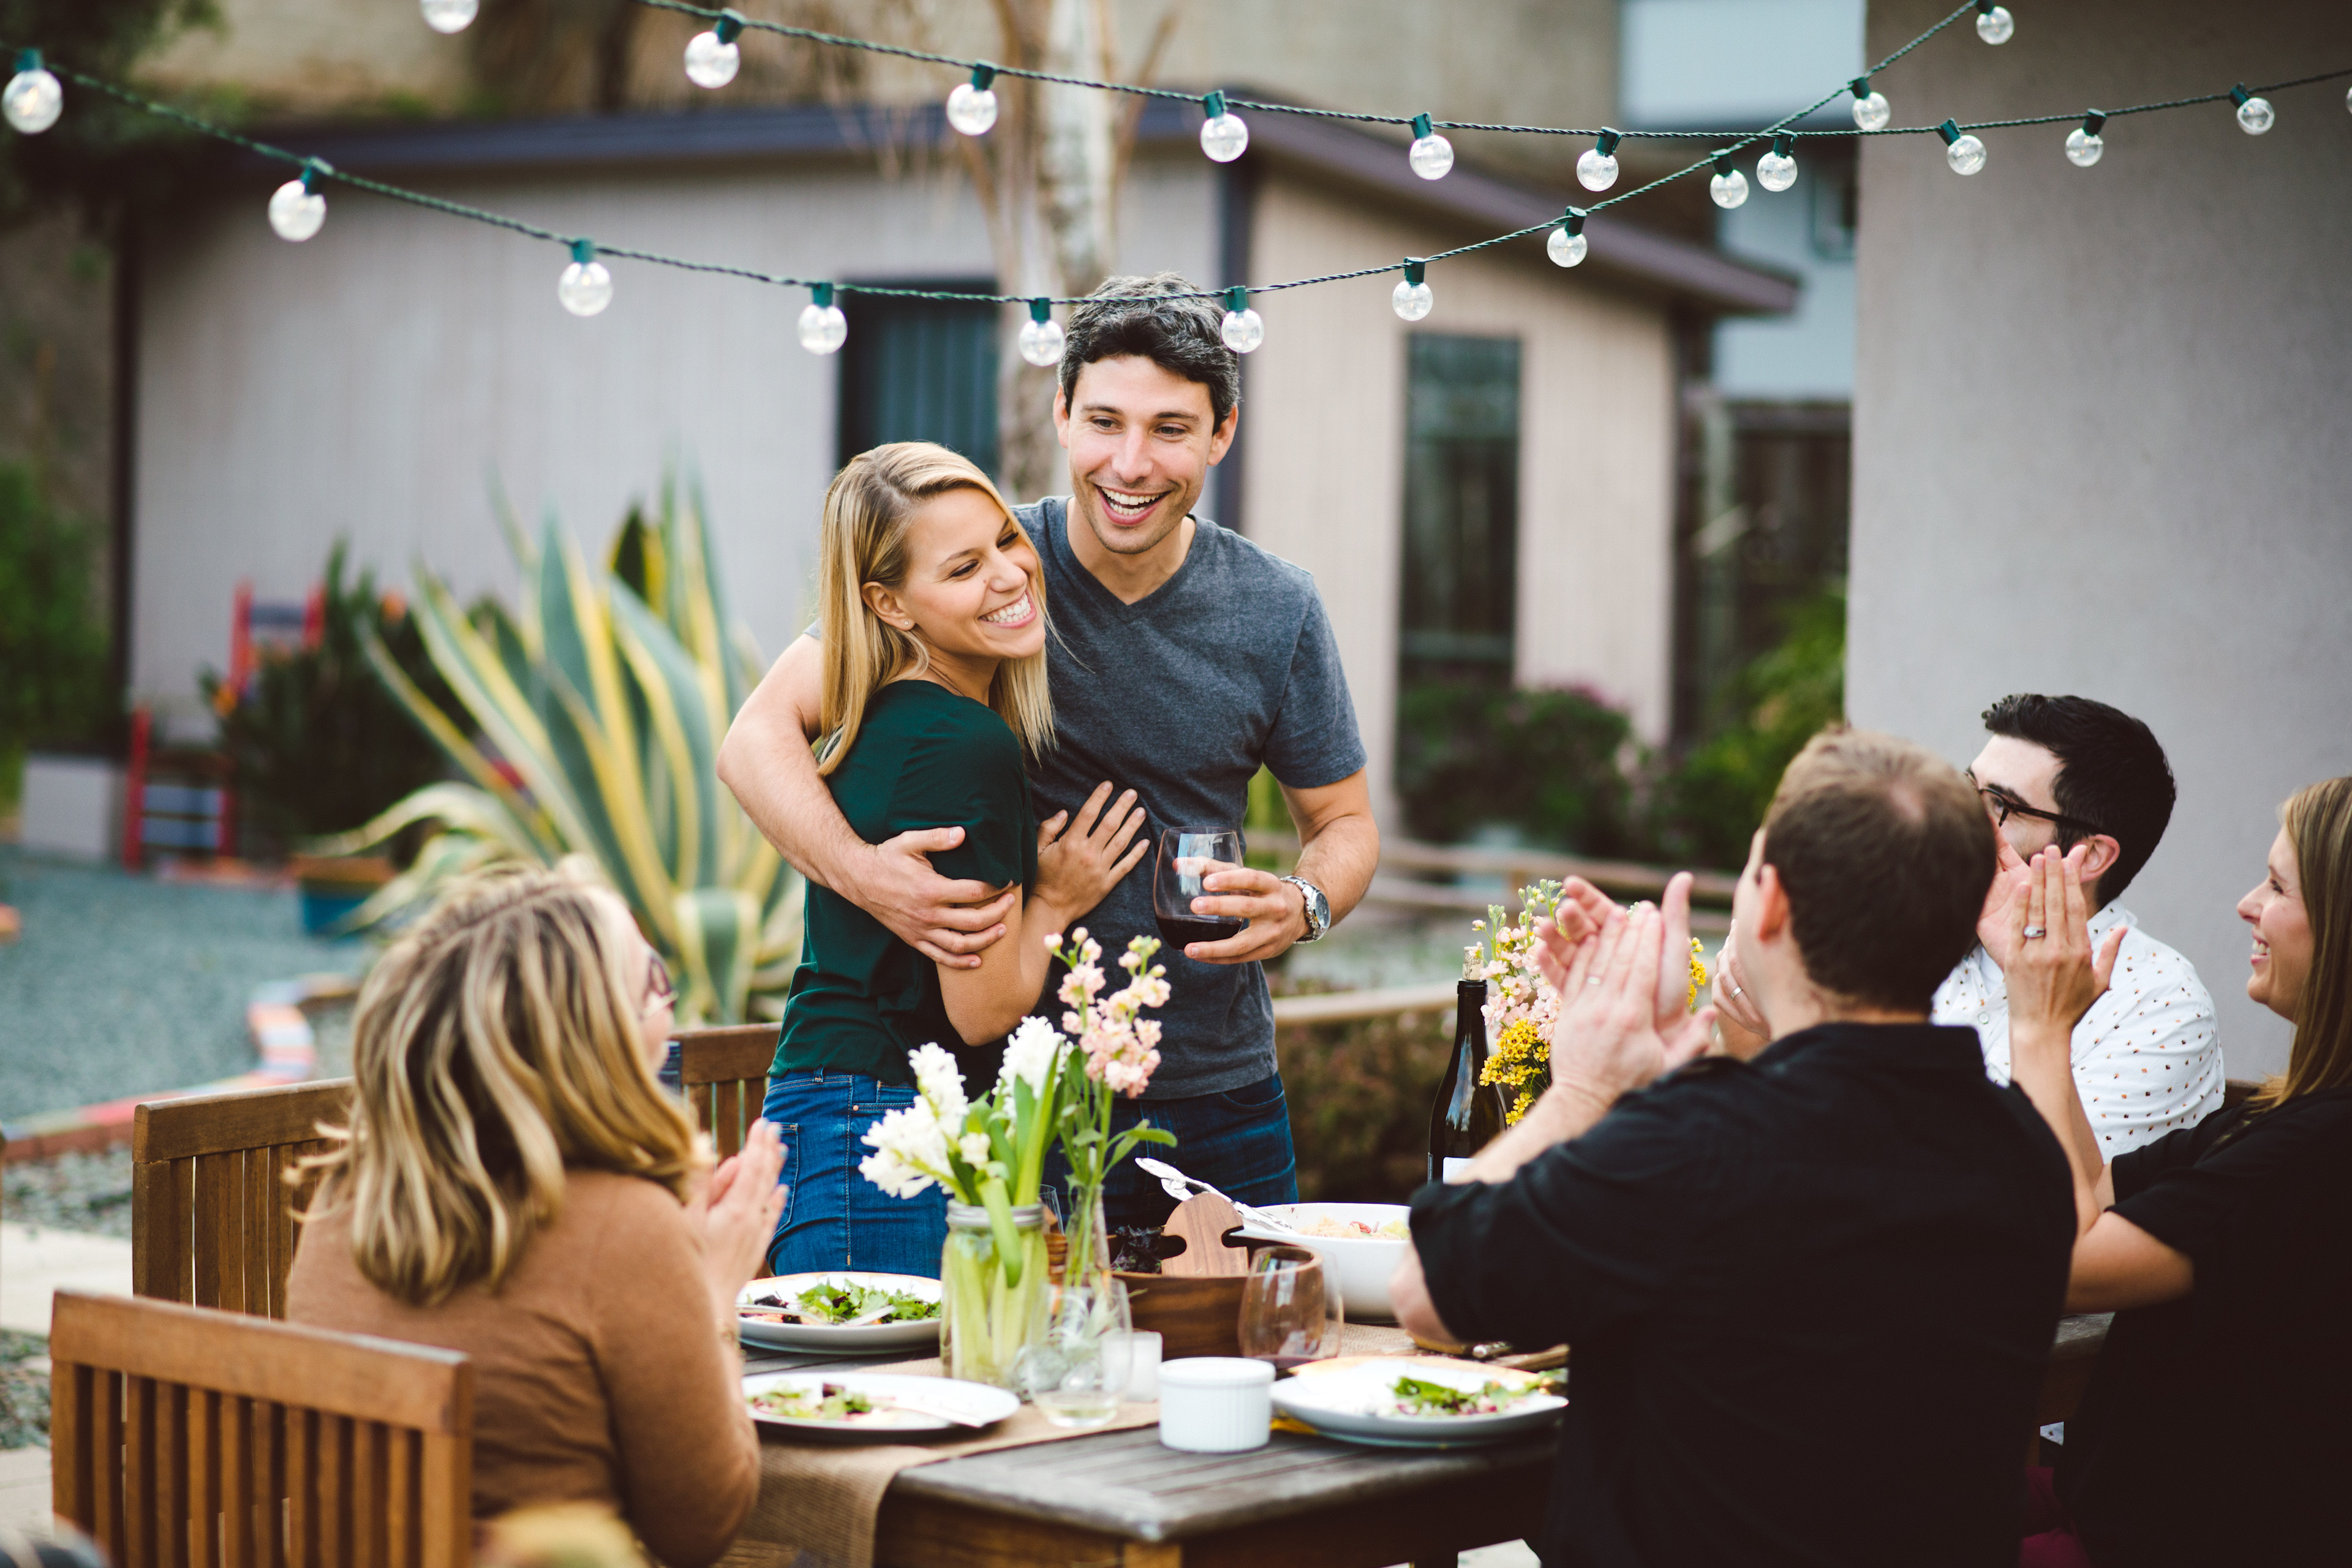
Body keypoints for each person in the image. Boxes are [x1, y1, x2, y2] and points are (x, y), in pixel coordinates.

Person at [718, 275, 1379, 1232]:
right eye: (1105, 421)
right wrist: (871, 878)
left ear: (1221, 435)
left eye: (1170, 429)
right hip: (1015, 1103)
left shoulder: (1277, 608)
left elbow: (1346, 821)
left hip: (1219, 1091)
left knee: (1248, 1360)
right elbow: (754, 739)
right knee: (1036, 1371)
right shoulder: (985, 568)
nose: (1131, 462)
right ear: (1063, 415)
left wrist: (1307, 902)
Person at [1392, 729, 2075, 1568]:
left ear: (1773, 903)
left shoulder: (1700, 1142)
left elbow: (1425, 1293)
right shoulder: (2024, 1155)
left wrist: (1583, 1091)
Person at [285, 865, 780, 1568]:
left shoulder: (346, 1198)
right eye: (652, 983)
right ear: (591, 1041)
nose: (667, 1008)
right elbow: (702, 1527)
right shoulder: (625, 1227)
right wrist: (712, 1291)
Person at [763, 442, 1144, 1273]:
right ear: (890, 606)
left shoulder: (891, 717)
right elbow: (980, 1009)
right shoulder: (959, 743)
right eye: (964, 567)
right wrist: (1055, 901)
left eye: (1007, 540)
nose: (1009, 575)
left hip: (839, 1107)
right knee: (895, 1397)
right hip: (880, 1126)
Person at [2000, 778, 2352, 1567]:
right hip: (2103, 1493)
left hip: (2156, 1537)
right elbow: (2091, 1195)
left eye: (2279, 885)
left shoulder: (2323, 1149)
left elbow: (2062, 1264)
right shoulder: (2279, 1113)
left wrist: (2038, 1024)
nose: (2246, 903)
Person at [1715, 694, 2219, 1156]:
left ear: (2088, 857)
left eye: (1999, 805)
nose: (1959, 817)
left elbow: (2030, 1198)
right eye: (1966, 789)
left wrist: (1794, 1029)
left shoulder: (2160, 1005)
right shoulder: (1920, 922)